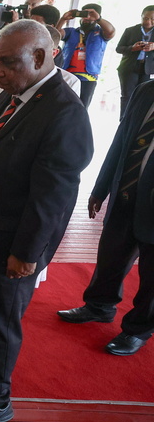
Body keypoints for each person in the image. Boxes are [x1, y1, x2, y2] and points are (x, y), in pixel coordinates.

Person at [0, 19, 93, 422]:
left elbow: (53, 199)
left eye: (7, 63)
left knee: (0, 321)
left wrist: (27, 255)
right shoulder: (16, 95)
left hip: (11, 243)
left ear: (41, 58)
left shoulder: (64, 113)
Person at [56, 80, 154, 356]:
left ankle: (137, 330)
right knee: (111, 255)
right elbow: (122, 141)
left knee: (152, 277)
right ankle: (99, 306)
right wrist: (100, 188)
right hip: (125, 192)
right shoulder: (145, 90)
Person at [58, 3, 116, 110]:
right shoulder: (72, 32)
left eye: (90, 15)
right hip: (67, 76)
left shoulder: (101, 33)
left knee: (81, 109)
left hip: (88, 78)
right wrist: (63, 19)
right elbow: (55, 35)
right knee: (61, 106)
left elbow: (111, 31)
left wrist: (99, 19)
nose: (87, 18)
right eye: (84, 14)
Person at [115, 6, 154, 120]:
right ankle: (124, 121)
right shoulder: (130, 30)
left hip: (149, 70)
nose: (148, 21)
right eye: (145, 18)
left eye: (152, 19)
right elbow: (119, 48)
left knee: (144, 97)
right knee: (127, 96)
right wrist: (132, 48)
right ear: (141, 16)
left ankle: (137, 123)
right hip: (129, 68)